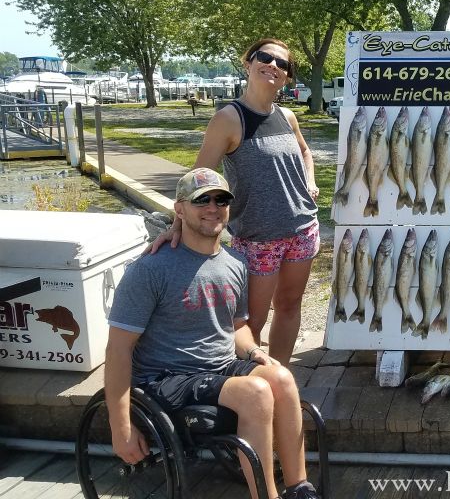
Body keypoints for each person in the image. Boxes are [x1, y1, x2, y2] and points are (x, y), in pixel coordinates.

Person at [106, 168, 320, 499]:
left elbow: (236, 328)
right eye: (201, 200)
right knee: (256, 392)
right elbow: (118, 349)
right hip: (166, 378)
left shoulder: (235, 263)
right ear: (180, 210)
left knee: (281, 378)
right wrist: (121, 428)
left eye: (221, 199)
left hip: (217, 367)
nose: (212, 207)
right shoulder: (150, 269)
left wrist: (255, 353)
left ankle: (299, 487)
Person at [152, 38, 320, 362]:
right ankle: (252, 383)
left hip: (302, 230)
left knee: (288, 306)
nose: (273, 65)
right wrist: (178, 225)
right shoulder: (229, 119)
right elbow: (198, 178)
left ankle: (280, 376)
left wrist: (309, 180)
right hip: (258, 239)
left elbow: (304, 151)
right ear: (248, 63)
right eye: (266, 57)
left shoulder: (287, 116)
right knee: (250, 322)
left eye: (282, 64)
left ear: (286, 77)